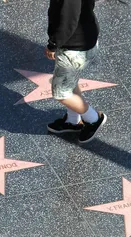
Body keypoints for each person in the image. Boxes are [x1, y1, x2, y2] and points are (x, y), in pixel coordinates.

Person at [44, 0, 107, 144]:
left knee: (61, 93)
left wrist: (53, 44)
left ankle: (93, 119)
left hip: (73, 48)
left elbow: (68, 20)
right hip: (84, 39)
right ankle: (73, 120)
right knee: (70, 83)